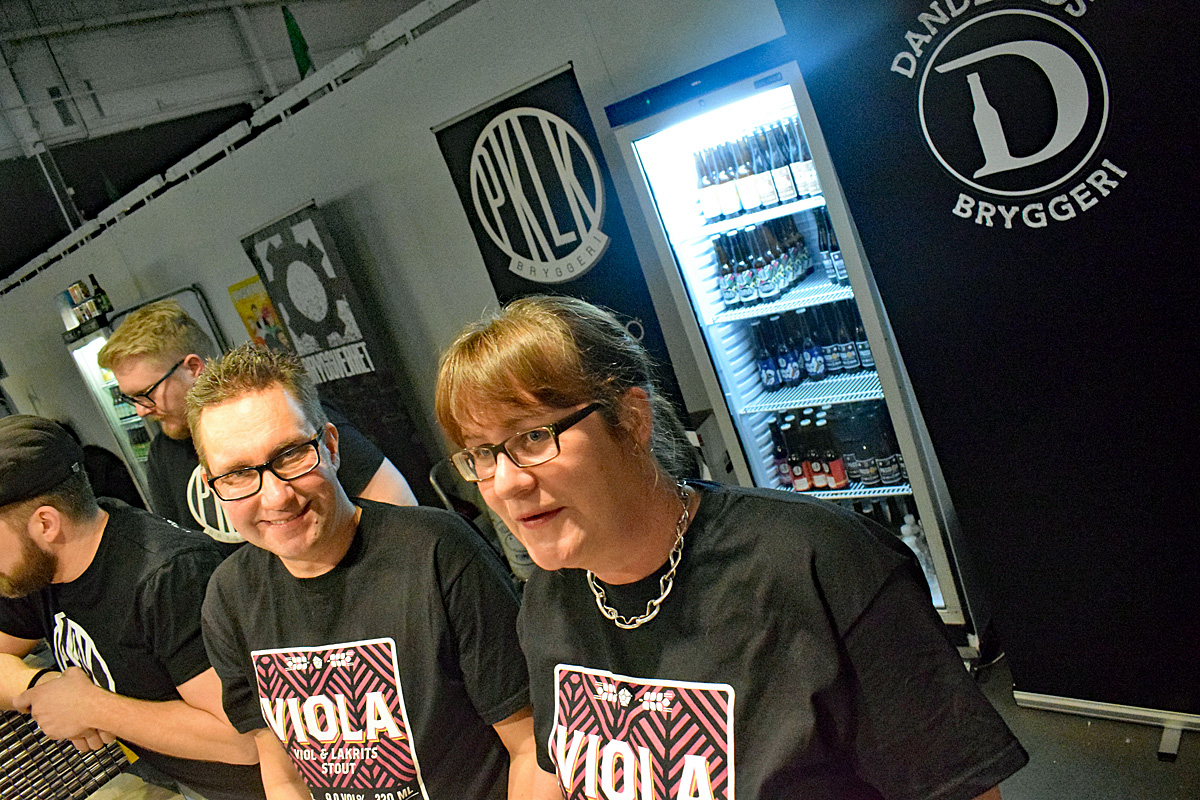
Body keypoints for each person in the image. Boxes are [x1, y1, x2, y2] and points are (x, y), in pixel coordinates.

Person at [434, 295, 1029, 800]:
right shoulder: (550, 596)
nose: (505, 483)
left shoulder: (818, 563)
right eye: (481, 453)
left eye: (533, 437)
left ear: (632, 420)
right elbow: (556, 769)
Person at [189, 343, 538, 800]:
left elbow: (531, 747)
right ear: (213, 487)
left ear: (331, 446)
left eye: (291, 454)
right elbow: (283, 774)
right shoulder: (229, 597)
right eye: (237, 474)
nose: (276, 497)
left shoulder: (437, 552)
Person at [0, 415, 265, 800]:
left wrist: (94, 708)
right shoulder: (36, 568)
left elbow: (244, 741)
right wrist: (42, 686)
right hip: (181, 778)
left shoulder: (169, 577)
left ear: (46, 524)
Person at [97, 300, 417, 550]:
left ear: (193, 368)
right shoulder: (162, 456)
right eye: (130, 398)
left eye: (147, 393)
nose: (140, 410)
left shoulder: (284, 416)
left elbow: (397, 506)